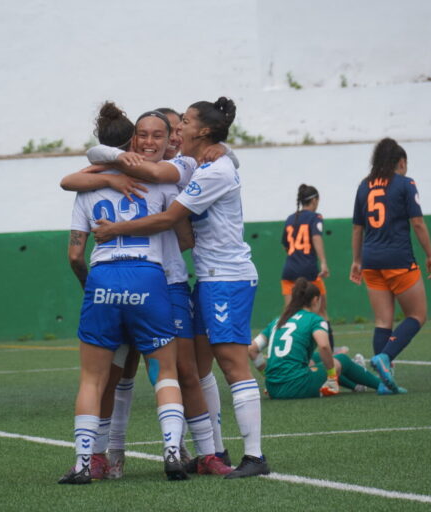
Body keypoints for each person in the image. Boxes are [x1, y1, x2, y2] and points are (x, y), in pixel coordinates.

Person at [93, 97, 270, 479]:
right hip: (208, 278)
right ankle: (214, 450)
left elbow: (170, 219)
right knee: (199, 368)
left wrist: (113, 230)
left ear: (203, 131)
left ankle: (255, 456)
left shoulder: (212, 170)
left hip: (228, 278)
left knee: (233, 364)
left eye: (183, 123)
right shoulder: (202, 163)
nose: (178, 129)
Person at [61, 108, 232, 478]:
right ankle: (119, 453)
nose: (157, 140)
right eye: (145, 135)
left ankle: (203, 451)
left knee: (174, 370)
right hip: (150, 279)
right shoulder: (141, 170)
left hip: (157, 281)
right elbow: (85, 168)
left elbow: (75, 179)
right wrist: (114, 174)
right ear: (134, 139)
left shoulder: (178, 169)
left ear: (176, 136)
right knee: (127, 374)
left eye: (168, 132)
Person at [349, 137, 431, 394]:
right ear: (400, 162)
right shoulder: (405, 184)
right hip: (398, 259)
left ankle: (384, 383)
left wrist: (357, 261)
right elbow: (418, 223)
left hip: (371, 260)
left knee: (382, 321)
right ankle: (385, 357)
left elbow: (357, 228)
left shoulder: (363, 186)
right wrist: (430, 255)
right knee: (417, 315)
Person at [247, 278, 382, 398]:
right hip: (297, 386)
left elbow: (252, 349)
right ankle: (382, 385)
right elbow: (324, 345)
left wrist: (269, 376)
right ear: (315, 300)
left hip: (273, 389)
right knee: (342, 360)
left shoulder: (278, 320)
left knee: (316, 358)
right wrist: (331, 376)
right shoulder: (315, 320)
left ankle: (356, 386)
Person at [280, 184, 336, 349]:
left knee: (290, 314)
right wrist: (323, 262)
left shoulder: (291, 218)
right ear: (314, 200)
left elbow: (285, 245)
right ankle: (330, 353)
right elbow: (316, 237)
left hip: (289, 271)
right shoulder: (315, 217)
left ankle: (286, 350)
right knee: (321, 312)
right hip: (309, 272)